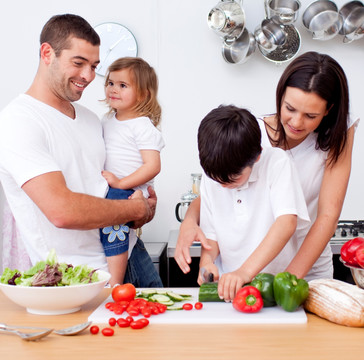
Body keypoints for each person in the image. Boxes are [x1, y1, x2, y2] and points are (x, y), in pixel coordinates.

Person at [0, 14, 162, 287]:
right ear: (47, 53)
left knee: (166, 330)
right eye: (78, 63)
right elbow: (62, 211)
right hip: (79, 279)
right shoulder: (19, 120)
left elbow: (103, 190)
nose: (88, 76)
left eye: (94, 65)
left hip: (132, 254)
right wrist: (130, 209)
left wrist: (141, 211)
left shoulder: (90, 118)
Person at [175, 51, 359, 282]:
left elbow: (327, 216)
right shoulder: (250, 135)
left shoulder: (334, 136)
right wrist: (190, 223)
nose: (296, 122)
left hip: (305, 268)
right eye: (290, 108)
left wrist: (286, 283)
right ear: (280, 96)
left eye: (311, 115)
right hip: (244, 275)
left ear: (329, 110)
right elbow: (215, 193)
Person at [196, 105, 309, 301]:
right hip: (231, 292)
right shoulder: (213, 176)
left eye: (232, 179)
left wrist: (245, 272)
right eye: (217, 180)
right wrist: (206, 262)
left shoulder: (277, 163)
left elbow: (286, 223)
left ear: (256, 156)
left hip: (276, 289)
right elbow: (211, 235)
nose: (222, 186)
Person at [100, 57, 164, 286]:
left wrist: (120, 183)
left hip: (129, 192)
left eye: (123, 85)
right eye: (110, 83)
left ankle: (114, 283)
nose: (113, 89)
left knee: (112, 223)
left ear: (143, 94)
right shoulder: (107, 121)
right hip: (116, 189)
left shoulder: (142, 126)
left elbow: (152, 165)